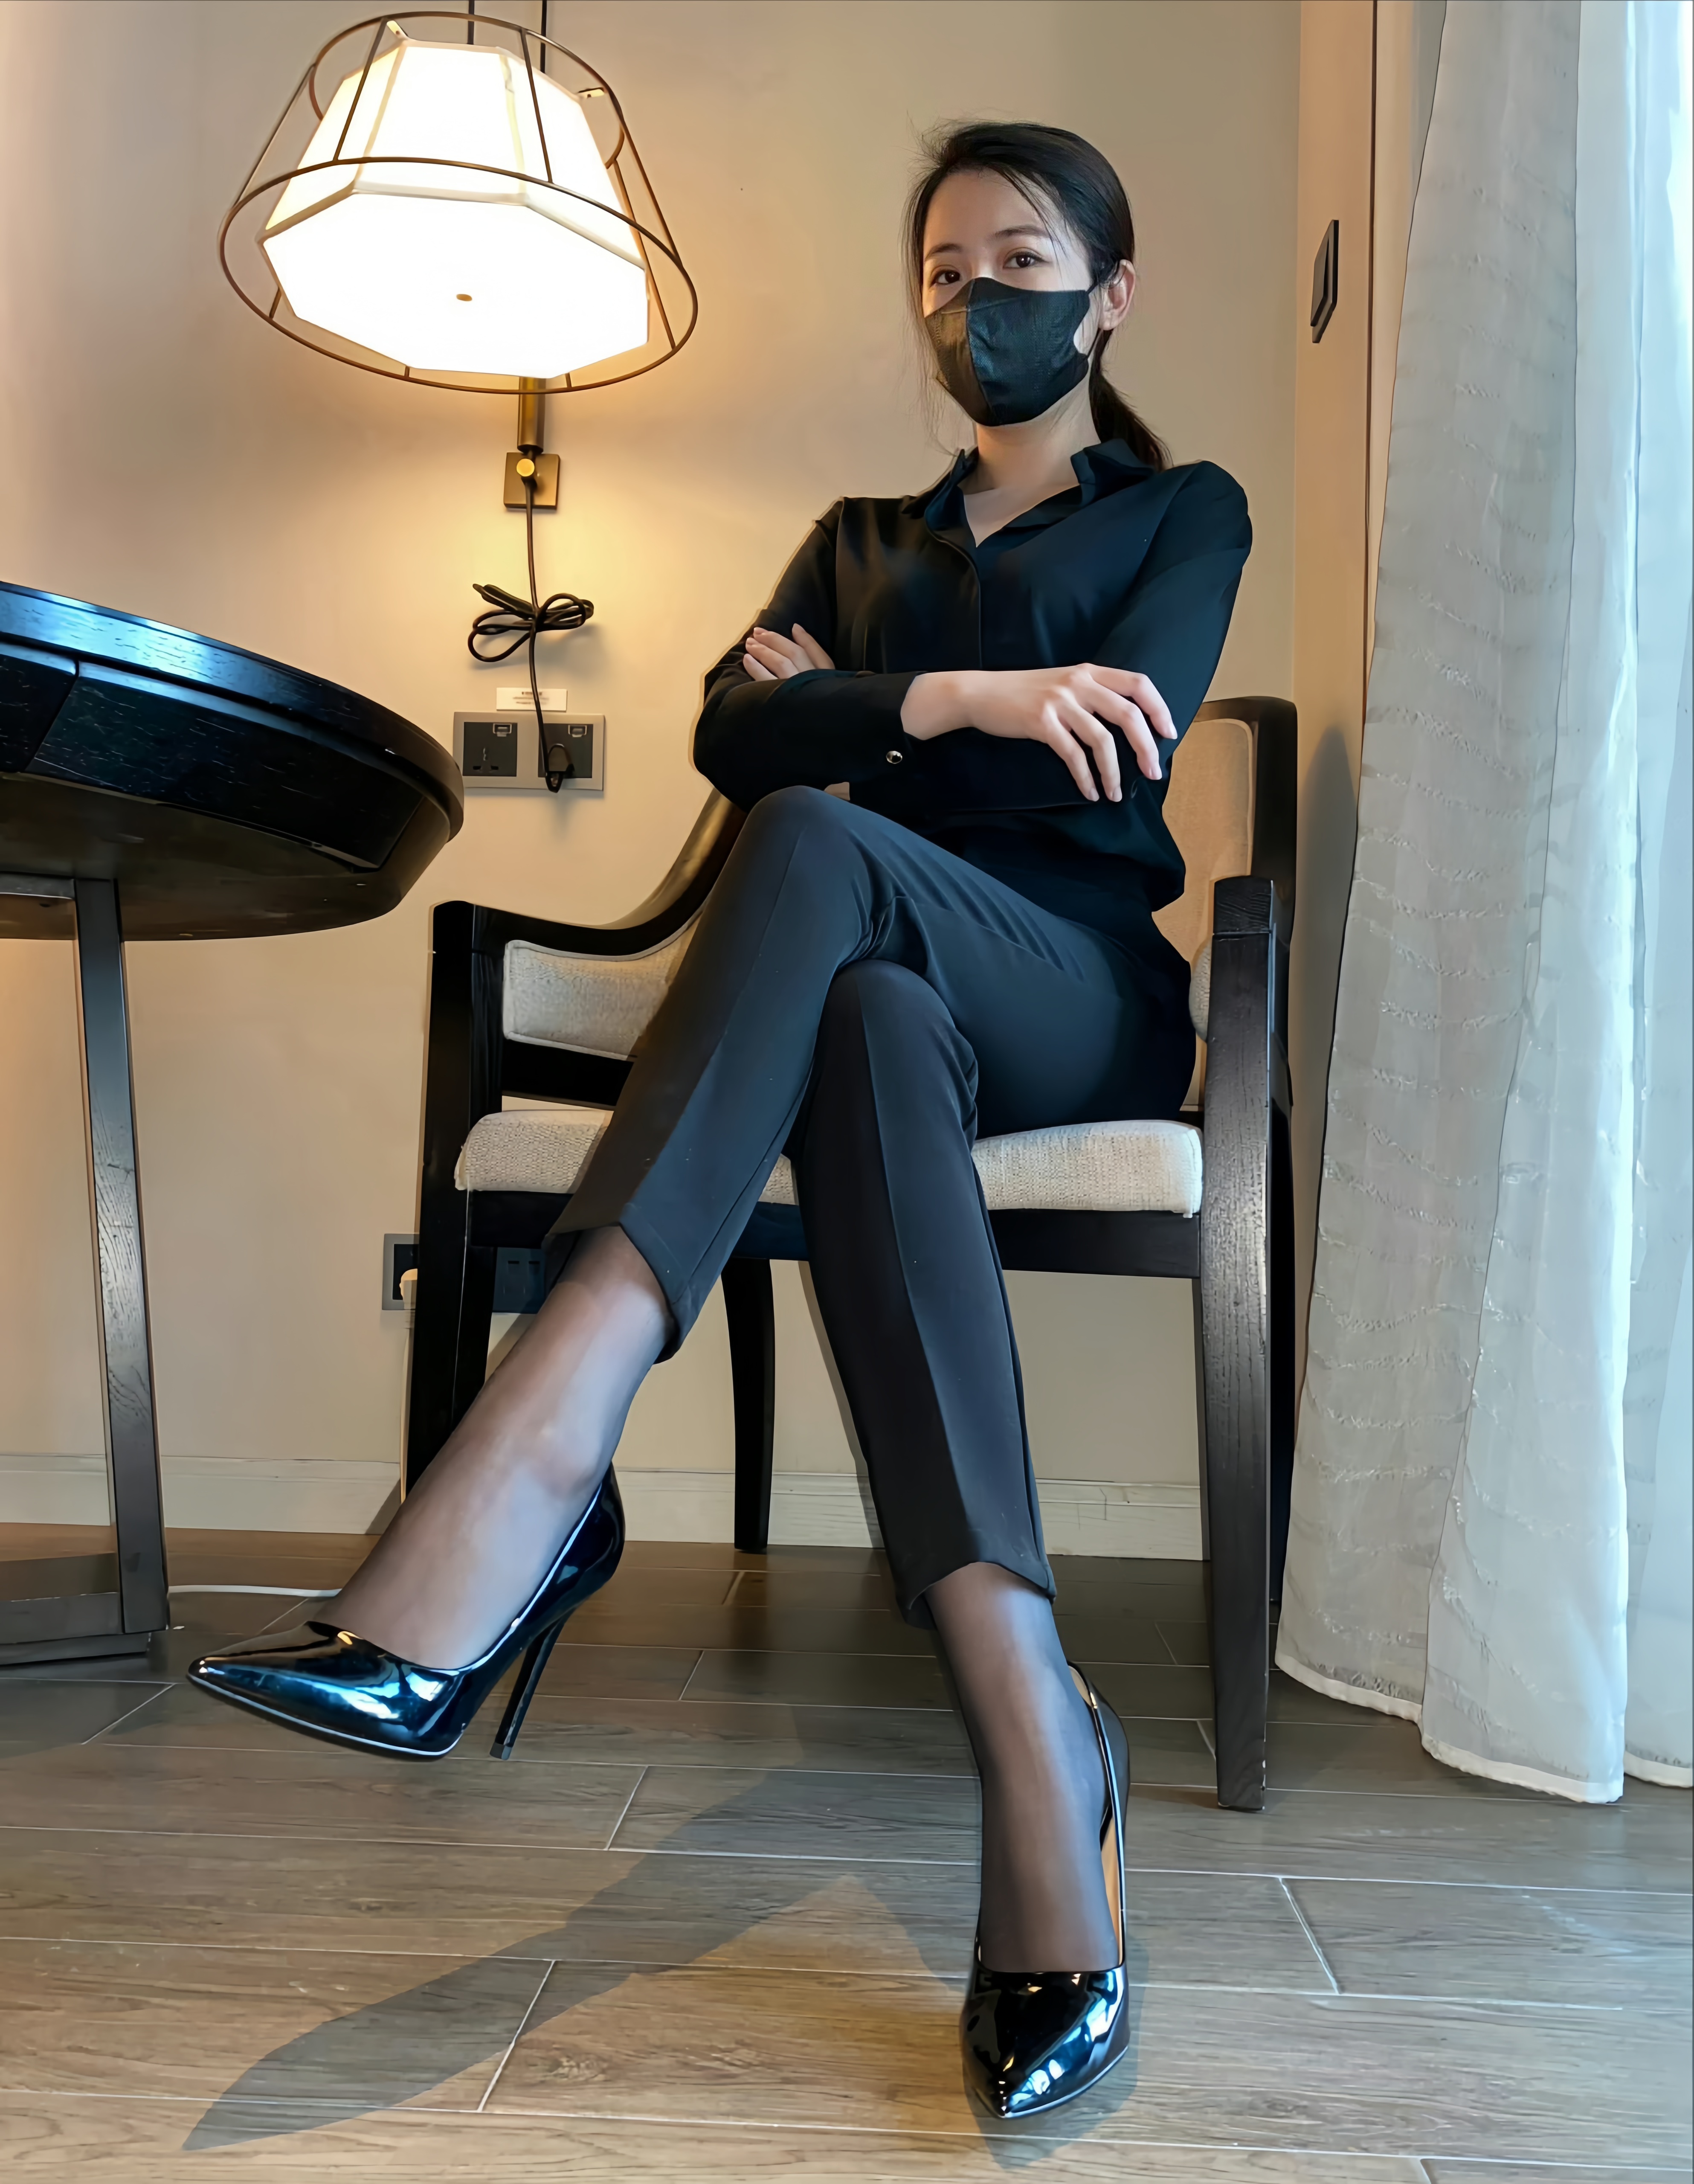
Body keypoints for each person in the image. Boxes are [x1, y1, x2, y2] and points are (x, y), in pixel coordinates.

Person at [190, 120, 1250, 2119]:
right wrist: (965, 703)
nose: (978, 301)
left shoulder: (1185, 509)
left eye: (1021, 263)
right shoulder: (860, 536)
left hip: (1074, 990)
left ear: (1111, 296)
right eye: (943, 271)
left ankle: (537, 1456)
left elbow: (1119, 742)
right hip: (890, 993)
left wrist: (862, 712)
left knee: (821, 852)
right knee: (855, 993)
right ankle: (1039, 1734)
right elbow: (722, 731)